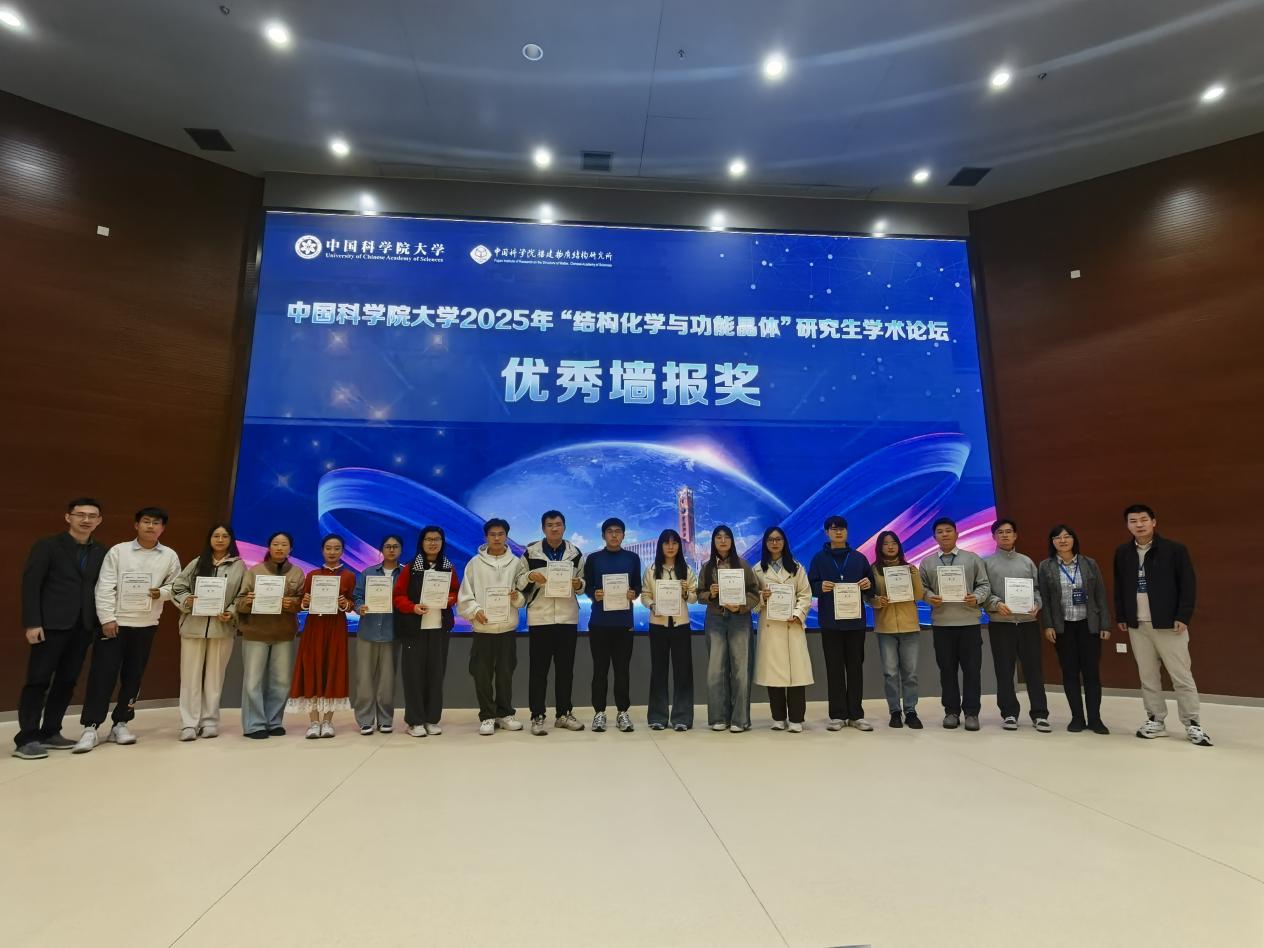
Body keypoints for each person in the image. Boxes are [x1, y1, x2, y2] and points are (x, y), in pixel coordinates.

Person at [74, 506, 182, 753]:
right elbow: (104, 587)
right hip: (116, 624)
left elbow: (176, 585)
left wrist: (161, 593)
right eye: (146, 521)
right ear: (136, 525)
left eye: (156, 523)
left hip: (146, 625)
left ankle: (121, 723)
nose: (151, 526)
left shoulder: (169, 556)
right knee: (102, 676)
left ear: (163, 528)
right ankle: (90, 727)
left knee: (134, 676)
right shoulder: (118, 551)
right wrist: (107, 619)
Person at [13, 498, 107, 760]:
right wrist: (32, 622)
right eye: (80, 514)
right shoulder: (48, 546)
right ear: (68, 517)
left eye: (92, 516)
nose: (86, 520)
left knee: (67, 681)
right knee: (38, 680)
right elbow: (31, 585)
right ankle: (27, 737)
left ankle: (51, 731)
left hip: (83, 627)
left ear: (99, 520)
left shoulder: (101, 551)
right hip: (50, 625)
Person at [1113, 504, 1210, 746]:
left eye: (1143, 519)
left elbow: (1188, 585)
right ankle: (1155, 719)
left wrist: (1183, 616)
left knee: (1181, 676)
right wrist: (1122, 616)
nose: (1139, 524)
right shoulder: (1123, 553)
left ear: (1153, 522)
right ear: (1127, 525)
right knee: (1147, 676)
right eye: (1133, 521)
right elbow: (1119, 587)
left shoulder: (1174, 550)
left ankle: (1193, 723)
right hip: (1138, 625)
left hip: (1169, 625)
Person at [170, 524, 246, 741]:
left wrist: (231, 612)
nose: (220, 539)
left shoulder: (239, 566)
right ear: (209, 539)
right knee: (190, 677)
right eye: (216, 535)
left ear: (231, 540)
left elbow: (242, 595)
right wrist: (188, 600)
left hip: (222, 629)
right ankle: (189, 723)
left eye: (225, 536)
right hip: (193, 628)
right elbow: (178, 587)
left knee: (215, 677)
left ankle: (210, 721)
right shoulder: (197, 562)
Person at [516, 510, 586, 736]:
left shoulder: (575, 553)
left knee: (565, 670)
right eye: (549, 524)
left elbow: (583, 583)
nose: (554, 528)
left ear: (564, 527)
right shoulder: (531, 552)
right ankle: (537, 716)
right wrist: (530, 577)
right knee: (538, 670)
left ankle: (564, 714)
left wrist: (578, 584)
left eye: (558, 524)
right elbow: (518, 581)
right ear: (543, 528)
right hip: (540, 618)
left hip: (567, 617)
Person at [918, 517, 990, 731]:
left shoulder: (972, 558)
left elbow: (984, 585)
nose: (945, 534)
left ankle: (971, 713)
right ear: (934, 537)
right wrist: (929, 597)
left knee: (972, 670)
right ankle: (951, 712)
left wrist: (976, 597)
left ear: (957, 534)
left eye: (948, 530)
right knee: (947, 670)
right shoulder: (927, 562)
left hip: (969, 623)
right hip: (942, 624)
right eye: (940, 531)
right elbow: (921, 588)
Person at [1038, 525, 1111, 734]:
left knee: (1091, 673)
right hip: (1063, 627)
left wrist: (1105, 624)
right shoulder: (1046, 566)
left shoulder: (1089, 563)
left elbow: (1100, 595)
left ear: (1074, 539)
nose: (1062, 540)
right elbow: (1045, 598)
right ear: (1052, 542)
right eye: (1057, 537)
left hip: (1089, 625)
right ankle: (1077, 718)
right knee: (1070, 672)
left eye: (1067, 536)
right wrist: (1048, 625)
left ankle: (1095, 719)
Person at [807, 516, 876, 731]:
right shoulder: (819, 559)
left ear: (847, 531)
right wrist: (819, 587)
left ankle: (856, 714)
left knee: (855, 668)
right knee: (834, 668)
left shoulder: (859, 558)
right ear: (826, 532)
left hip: (855, 623)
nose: (839, 532)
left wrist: (868, 584)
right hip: (830, 623)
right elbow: (809, 587)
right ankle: (837, 715)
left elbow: (871, 587)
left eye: (842, 529)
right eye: (834, 529)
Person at [458, 518, 526, 735]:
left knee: (506, 673)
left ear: (506, 536)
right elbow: (465, 595)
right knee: (482, 674)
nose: (497, 538)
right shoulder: (474, 563)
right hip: (483, 630)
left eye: (501, 534)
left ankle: (505, 714)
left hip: (507, 629)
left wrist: (516, 598)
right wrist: (474, 610)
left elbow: (523, 595)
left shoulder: (516, 563)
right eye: (492, 534)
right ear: (486, 537)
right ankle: (487, 716)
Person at [236, 531, 305, 739]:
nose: (279, 548)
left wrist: (292, 604)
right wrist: (248, 601)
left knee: (281, 681)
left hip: (283, 633)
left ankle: (274, 721)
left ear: (291, 549)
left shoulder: (297, 573)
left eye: (284, 544)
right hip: (256, 632)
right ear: (269, 547)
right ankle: (254, 724)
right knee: (253, 681)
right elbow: (239, 602)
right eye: (275, 544)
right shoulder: (254, 571)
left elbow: (302, 602)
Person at [983, 519, 1050, 733]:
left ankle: (1040, 714)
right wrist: (996, 604)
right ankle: (1009, 713)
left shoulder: (1026, 561)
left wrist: (1037, 604)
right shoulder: (987, 563)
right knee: (1004, 671)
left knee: (1034, 670)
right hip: (1001, 624)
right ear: (994, 537)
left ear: (1015, 535)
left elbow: (1037, 590)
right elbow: (983, 591)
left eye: (1008, 531)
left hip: (1028, 623)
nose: (1005, 535)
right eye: (1000, 532)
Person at [392, 526, 459, 737]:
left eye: (437, 539)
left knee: (436, 675)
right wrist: (412, 607)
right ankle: (415, 721)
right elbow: (398, 596)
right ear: (421, 542)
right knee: (413, 676)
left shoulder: (448, 567)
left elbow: (455, 591)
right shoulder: (411, 567)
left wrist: (450, 599)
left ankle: (431, 719)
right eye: (428, 539)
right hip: (414, 630)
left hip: (439, 629)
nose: (433, 543)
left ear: (442, 542)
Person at [289, 534, 356, 739]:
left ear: (342, 551)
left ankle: (327, 721)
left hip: (336, 627)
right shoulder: (312, 575)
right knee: (312, 667)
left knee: (332, 668)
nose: (332, 552)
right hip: (314, 627)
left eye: (336, 548)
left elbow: (352, 604)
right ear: (322, 550)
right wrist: (305, 601)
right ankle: (313, 722)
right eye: (328, 548)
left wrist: (345, 603)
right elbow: (303, 602)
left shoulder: (349, 576)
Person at [696, 525, 760, 733]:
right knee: (716, 670)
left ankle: (740, 719)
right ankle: (719, 717)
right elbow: (699, 595)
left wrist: (740, 606)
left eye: (726, 537)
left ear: (732, 541)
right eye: (718, 537)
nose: (722, 541)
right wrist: (711, 594)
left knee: (741, 669)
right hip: (715, 620)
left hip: (739, 620)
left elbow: (754, 593)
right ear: (713, 542)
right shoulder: (706, 567)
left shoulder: (743, 565)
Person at [582, 517, 642, 733]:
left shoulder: (632, 558)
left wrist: (633, 593)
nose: (614, 534)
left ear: (623, 535)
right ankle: (599, 713)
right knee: (599, 671)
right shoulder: (594, 559)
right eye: (610, 531)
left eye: (618, 531)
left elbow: (638, 586)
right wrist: (594, 594)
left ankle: (622, 712)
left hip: (624, 623)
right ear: (603, 535)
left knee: (622, 671)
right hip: (599, 623)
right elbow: (587, 586)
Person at [752, 527, 813, 732]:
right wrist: (762, 597)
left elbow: (805, 594)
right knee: (773, 674)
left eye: (778, 539)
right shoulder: (757, 569)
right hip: (770, 627)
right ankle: (778, 717)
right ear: (765, 543)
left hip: (791, 625)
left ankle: (796, 719)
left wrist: (797, 613)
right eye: (770, 540)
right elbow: (751, 600)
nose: (775, 543)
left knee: (796, 674)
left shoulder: (797, 568)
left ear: (784, 542)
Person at [640, 529, 698, 731]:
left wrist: (686, 593)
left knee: (683, 672)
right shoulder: (651, 570)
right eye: (667, 543)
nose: (671, 547)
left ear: (679, 546)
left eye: (674, 543)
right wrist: (652, 605)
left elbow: (694, 597)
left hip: (681, 625)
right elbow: (644, 595)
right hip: (658, 626)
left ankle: (682, 717)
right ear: (661, 546)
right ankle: (658, 716)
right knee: (659, 671)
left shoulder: (686, 570)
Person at [870, 530, 926, 729]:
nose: (890, 546)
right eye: (886, 543)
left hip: (909, 626)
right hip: (885, 628)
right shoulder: (873, 570)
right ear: (880, 547)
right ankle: (894, 711)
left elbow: (918, 595)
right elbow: (869, 598)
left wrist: (914, 575)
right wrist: (878, 601)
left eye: (894, 543)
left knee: (910, 673)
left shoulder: (909, 568)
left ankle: (910, 711)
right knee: (890, 673)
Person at [351, 535, 404, 735]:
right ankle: (365, 720)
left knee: (387, 681)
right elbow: (357, 596)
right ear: (381, 549)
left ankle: (385, 719)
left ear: (401, 549)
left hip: (392, 632)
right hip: (368, 631)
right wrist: (360, 607)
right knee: (364, 679)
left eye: (395, 546)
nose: (391, 550)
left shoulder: (405, 574)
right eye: (388, 546)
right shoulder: (368, 573)